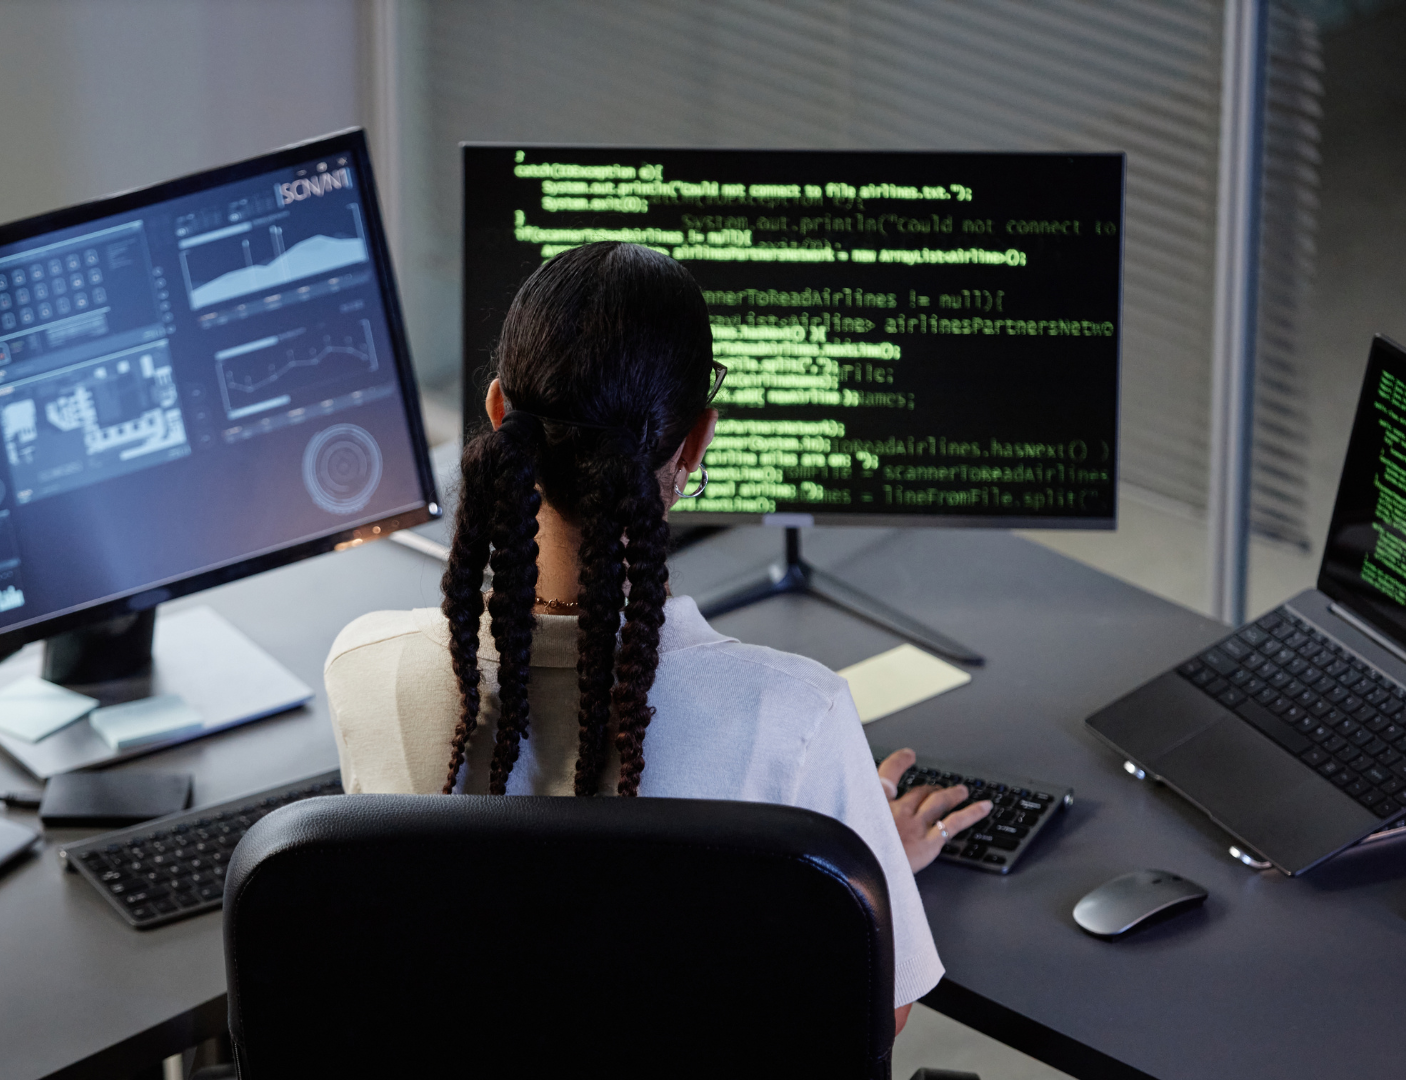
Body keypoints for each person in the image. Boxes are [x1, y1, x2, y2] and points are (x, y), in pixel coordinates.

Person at [324, 241, 991, 1032]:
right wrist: (857, 873)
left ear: (499, 411)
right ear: (696, 442)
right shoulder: (795, 713)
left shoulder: (365, 669)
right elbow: (877, 1018)